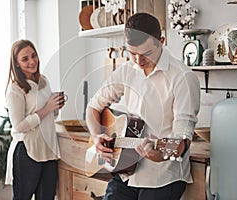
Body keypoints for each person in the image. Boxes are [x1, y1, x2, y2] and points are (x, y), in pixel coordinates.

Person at [86, 13, 200, 200]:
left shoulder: (183, 78)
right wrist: (96, 135)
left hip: (162, 178)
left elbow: (182, 138)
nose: (138, 61)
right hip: (125, 172)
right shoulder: (127, 70)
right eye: (132, 53)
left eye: (146, 53)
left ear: (161, 41)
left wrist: (161, 155)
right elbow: (93, 107)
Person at [4, 39, 65, 200]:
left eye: (33, 56)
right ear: (16, 64)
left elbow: (51, 116)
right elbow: (19, 126)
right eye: (25, 59)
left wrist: (56, 107)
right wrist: (46, 109)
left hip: (49, 150)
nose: (32, 61)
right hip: (27, 151)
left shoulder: (44, 81)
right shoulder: (15, 89)